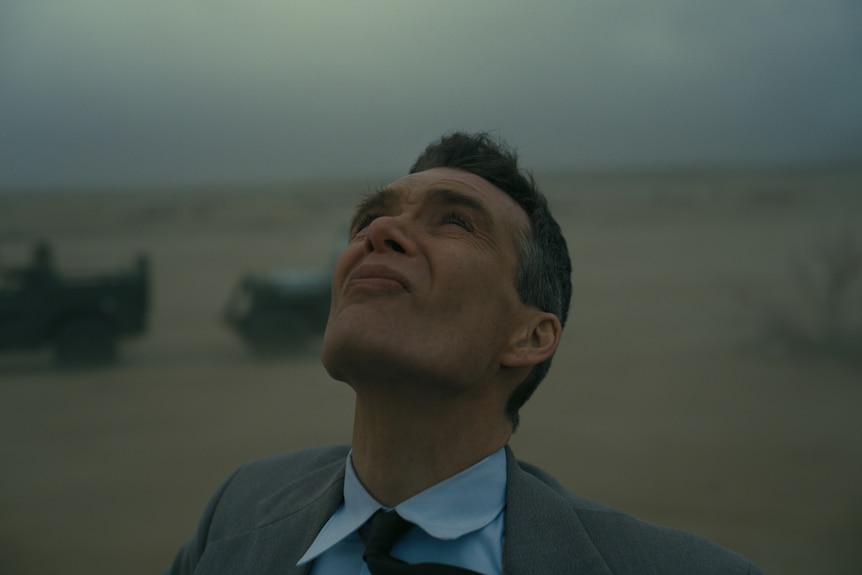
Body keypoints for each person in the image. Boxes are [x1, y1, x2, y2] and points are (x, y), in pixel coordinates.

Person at [165, 132, 761, 574]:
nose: (378, 233)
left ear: (531, 337)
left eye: (453, 222)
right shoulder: (236, 511)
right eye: (370, 218)